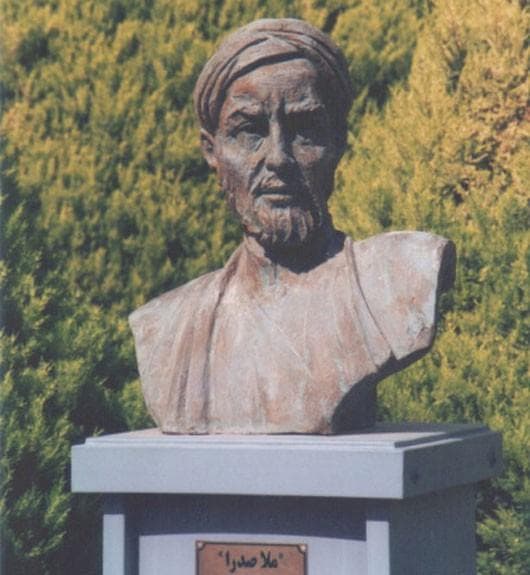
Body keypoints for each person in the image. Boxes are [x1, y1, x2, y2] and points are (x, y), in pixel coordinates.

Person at [129, 19, 456, 434]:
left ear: (338, 141)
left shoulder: (402, 277)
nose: (278, 158)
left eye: (304, 130)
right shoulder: (165, 325)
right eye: (250, 131)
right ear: (212, 151)